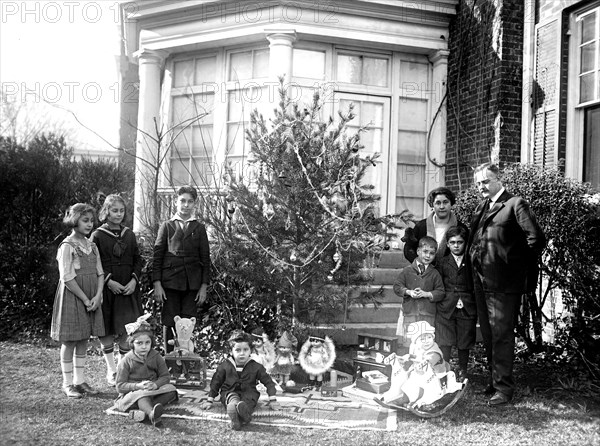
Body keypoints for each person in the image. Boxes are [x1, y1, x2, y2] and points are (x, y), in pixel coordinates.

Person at [468, 163, 546, 406]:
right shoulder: (482, 206)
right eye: (478, 182)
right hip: (481, 281)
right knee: (490, 334)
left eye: (486, 181)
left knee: (502, 334)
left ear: (499, 180)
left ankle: (504, 389)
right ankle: (494, 382)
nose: (481, 186)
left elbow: (536, 239)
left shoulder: (515, 204)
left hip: (503, 283)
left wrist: (513, 268)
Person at [50, 203, 105, 398]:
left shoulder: (92, 246)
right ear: (75, 221)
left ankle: (79, 381)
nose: (89, 224)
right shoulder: (67, 246)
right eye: (85, 220)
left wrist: (97, 296)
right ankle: (67, 383)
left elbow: (100, 273)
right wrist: (84, 298)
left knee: (83, 338)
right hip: (74, 295)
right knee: (70, 339)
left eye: (91, 221)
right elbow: (67, 277)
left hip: (92, 296)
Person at [91, 194, 143, 386]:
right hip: (107, 289)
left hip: (127, 289)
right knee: (106, 329)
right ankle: (111, 371)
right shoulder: (97, 235)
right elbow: (93, 262)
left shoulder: (129, 234)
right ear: (106, 212)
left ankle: (122, 370)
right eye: (114, 210)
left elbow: (138, 260)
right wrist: (108, 281)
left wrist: (134, 281)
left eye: (121, 211)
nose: (118, 214)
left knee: (125, 330)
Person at [152, 186, 210, 351]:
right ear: (176, 202)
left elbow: (205, 258)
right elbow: (158, 256)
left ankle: (185, 359)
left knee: (187, 321)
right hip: (170, 283)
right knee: (170, 320)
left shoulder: (199, 228)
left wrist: (204, 286)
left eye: (190, 201)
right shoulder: (167, 226)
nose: (186, 205)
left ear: (194, 204)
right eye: (182, 201)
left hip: (192, 284)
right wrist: (157, 283)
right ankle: (170, 360)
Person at [200, 330, 280, 430]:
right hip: (229, 392)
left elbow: (268, 382)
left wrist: (272, 400)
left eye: (245, 350)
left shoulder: (256, 366)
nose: (242, 353)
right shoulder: (225, 365)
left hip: (249, 393)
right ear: (231, 351)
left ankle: (239, 417)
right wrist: (210, 400)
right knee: (231, 397)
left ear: (250, 350)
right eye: (238, 350)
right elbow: (216, 382)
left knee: (247, 402)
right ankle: (235, 410)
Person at [114, 315, 178, 426]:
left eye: (147, 343)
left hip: (153, 390)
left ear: (151, 343)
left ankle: (143, 411)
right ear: (132, 344)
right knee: (142, 396)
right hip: (134, 393)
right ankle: (151, 414)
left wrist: (155, 384)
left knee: (172, 391)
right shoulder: (126, 360)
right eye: (139, 343)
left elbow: (165, 376)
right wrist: (137, 386)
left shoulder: (156, 356)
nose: (144, 347)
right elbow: (120, 386)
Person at [435, 225, 476, 382]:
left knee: (464, 341)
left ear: (465, 243)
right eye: (453, 242)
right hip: (447, 307)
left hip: (467, 307)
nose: (456, 245)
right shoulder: (443, 262)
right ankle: (445, 370)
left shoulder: (471, 261)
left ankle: (463, 371)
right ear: (447, 244)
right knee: (445, 340)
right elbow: (438, 284)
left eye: (460, 242)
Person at [393, 236, 445, 346]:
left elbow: (441, 292)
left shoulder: (434, 273)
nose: (428, 256)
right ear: (418, 251)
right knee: (410, 343)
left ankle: (425, 363)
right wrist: (409, 292)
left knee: (426, 343)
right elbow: (397, 286)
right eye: (425, 251)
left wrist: (427, 294)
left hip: (428, 314)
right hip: (410, 313)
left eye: (432, 253)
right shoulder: (407, 271)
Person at [403, 187, 468, 265]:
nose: (442, 206)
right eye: (438, 203)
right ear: (432, 205)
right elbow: (408, 249)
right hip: (425, 274)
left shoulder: (460, 227)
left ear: (451, 204)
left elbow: (466, 253)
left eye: (445, 202)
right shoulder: (421, 226)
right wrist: (420, 264)